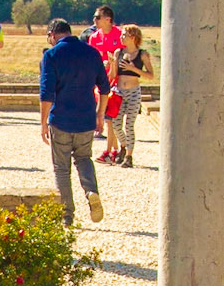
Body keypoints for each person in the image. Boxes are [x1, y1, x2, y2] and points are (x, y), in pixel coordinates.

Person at [39, 17, 108, 224]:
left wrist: (43, 122)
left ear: (52, 34)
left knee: (61, 168)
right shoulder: (91, 52)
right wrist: (100, 114)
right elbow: (104, 88)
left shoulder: (51, 55)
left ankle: (66, 214)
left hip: (60, 118)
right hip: (86, 118)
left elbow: (46, 93)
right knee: (84, 159)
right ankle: (90, 192)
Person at [114, 24, 153, 167]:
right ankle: (123, 145)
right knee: (116, 124)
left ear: (132, 37)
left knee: (129, 125)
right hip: (119, 91)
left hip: (133, 91)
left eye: (124, 34)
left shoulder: (142, 54)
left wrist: (133, 69)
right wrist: (111, 64)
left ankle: (129, 156)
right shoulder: (118, 52)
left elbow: (150, 75)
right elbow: (113, 74)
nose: (121, 37)